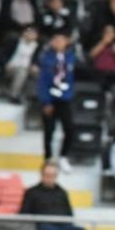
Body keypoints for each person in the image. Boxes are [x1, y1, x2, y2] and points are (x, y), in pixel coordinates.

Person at [21, 161, 88, 230]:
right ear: (41, 175)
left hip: (62, 226)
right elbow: (24, 215)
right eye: (47, 175)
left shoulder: (62, 192)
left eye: (53, 175)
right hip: (42, 227)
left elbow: (69, 214)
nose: (50, 178)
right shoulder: (31, 192)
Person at [37, 31, 76, 169]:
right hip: (50, 99)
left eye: (61, 40)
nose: (59, 43)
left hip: (65, 98)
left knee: (69, 128)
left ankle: (63, 156)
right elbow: (43, 81)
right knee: (49, 130)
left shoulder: (71, 57)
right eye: (56, 40)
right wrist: (46, 101)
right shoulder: (46, 58)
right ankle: (48, 157)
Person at [4, 26, 41, 103]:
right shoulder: (15, 42)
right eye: (28, 32)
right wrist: (6, 63)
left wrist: (35, 65)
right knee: (21, 72)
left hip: (28, 67)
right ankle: (13, 95)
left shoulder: (37, 46)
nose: (30, 35)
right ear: (23, 33)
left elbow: (36, 59)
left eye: (33, 34)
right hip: (12, 67)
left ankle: (33, 95)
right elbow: (4, 54)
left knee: (40, 73)